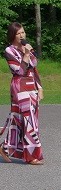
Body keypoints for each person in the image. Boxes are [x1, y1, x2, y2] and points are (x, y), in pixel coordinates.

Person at [1, 22, 44, 165]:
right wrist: (26, 54)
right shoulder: (9, 50)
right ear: (13, 35)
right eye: (18, 33)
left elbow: (34, 69)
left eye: (23, 33)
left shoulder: (27, 49)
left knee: (20, 120)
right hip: (20, 87)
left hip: (32, 86)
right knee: (28, 120)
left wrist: (40, 88)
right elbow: (19, 71)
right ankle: (31, 156)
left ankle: (5, 148)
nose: (22, 36)